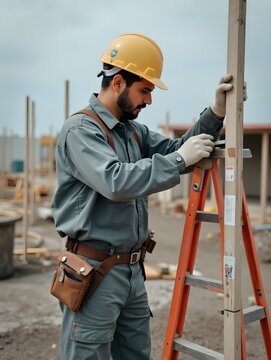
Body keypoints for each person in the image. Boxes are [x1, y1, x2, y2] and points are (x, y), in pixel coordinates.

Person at [51, 33, 234, 360]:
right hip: (94, 271)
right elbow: (115, 181)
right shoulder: (82, 130)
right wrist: (179, 160)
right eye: (145, 90)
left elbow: (178, 151)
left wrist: (215, 113)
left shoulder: (132, 130)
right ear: (118, 82)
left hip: (132, 270)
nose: (149, 100)